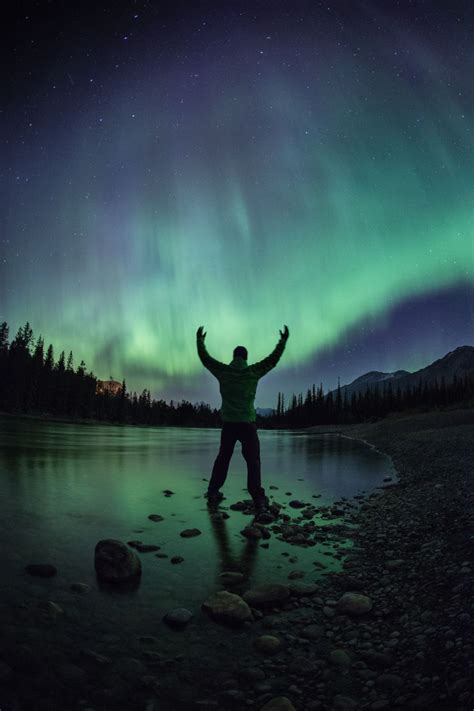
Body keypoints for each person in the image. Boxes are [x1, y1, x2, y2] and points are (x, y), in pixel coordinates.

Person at [196, 324, 289, 516]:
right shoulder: (252, 372)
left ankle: (213, 491)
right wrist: (282, 341)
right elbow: (272, 360)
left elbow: (206, 360)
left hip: (229, 424)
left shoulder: (223, 372)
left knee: (223, 458)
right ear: (246, 358)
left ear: (233, 357)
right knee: (253, 461)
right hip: (247, 424)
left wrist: (200, 341)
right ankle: (258, 499)